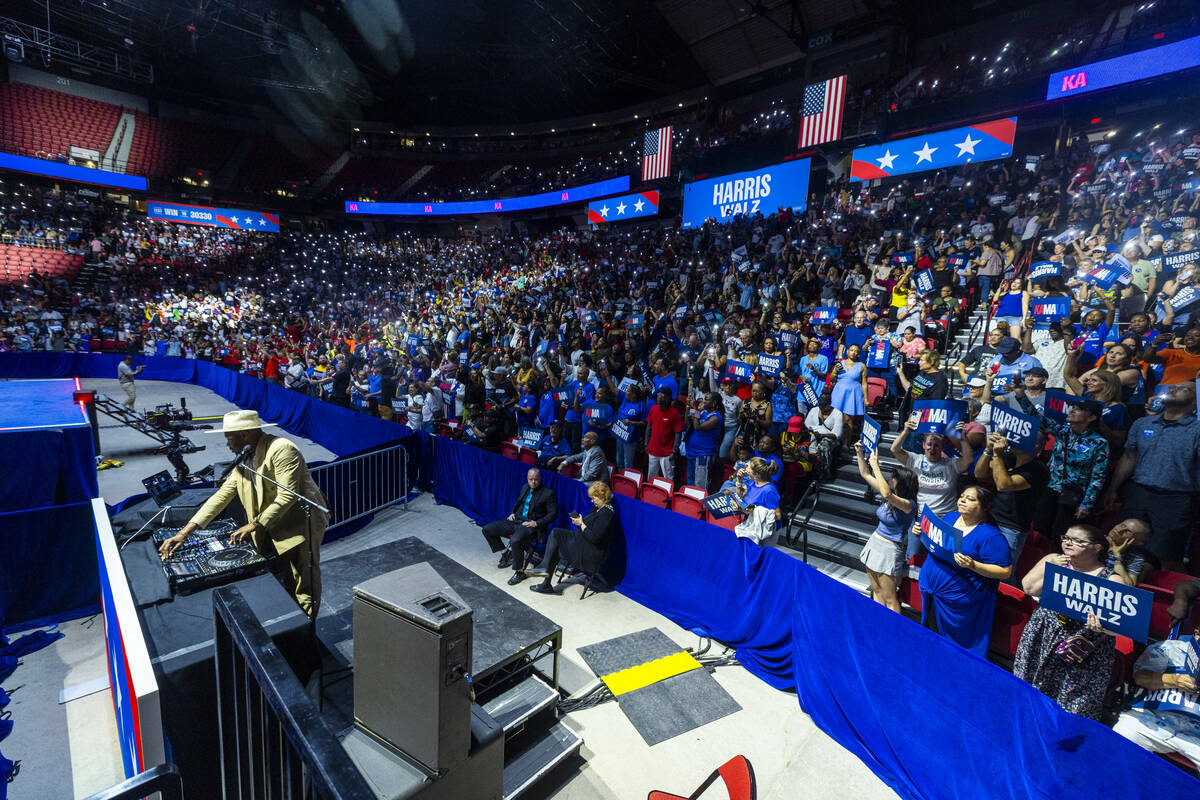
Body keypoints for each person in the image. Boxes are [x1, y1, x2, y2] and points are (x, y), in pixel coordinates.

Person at [158, 410, 328, 617]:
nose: (228, 444)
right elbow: (221, 497)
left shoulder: (282, 449)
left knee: (305, 578)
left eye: (229, 438)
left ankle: (308, 626)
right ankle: (294, 619)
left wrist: (255, 524)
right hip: (274, 524)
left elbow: (287, 496)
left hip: (302, 523)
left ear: (245, 434)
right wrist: (185, 532)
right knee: (286, 575)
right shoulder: (246, 456)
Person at [1013, 524, 1122, 720]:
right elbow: (1029, 588)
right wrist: (1051, 568)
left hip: (1084, 645)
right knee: (1029, 687)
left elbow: (1119, 627)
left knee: (1072, 703)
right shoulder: (1052, 559)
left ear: (1097, 548)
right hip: (1044, 633)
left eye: (1077, 541)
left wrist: (1103, 627)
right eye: (1066, 538)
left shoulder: (1111, 579)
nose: (1068, 543)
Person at [1103, 381, 1200, 567]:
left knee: (1166, 553)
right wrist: (1113, 489)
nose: (1174, 388)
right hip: (1139, 492)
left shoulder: (1196, 429)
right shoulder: (1143, 423)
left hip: (1177, 498)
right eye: (1173, 387)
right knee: (1125, 543)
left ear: (1196, 400)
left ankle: (1160, 592)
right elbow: (1129, 457)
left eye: (1184, 389)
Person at [917, 486, 1012, 657]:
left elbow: (1005, 571)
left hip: (959, 602)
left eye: (970, 499)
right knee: (932, 636)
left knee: (954, 649)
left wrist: (974, 565)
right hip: (934, 592)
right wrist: (922, 532)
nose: (962, 500)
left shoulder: (990, 536)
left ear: (985, 507)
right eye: (961, 496)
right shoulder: (950, 517)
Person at [1016, 390, 1109, 543]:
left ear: (1091, 417)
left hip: (1073, 494)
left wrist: (1087, 503)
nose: (1071, 410)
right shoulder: (1062, 431)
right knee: (1038, 526)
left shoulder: (1099, 443)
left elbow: (1098, 476)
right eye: (1072, 407)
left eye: (1078, 409)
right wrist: (1021, 396)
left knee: (1060, 533)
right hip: (1050, 488)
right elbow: (1036, 416)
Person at [1112, 621, 1200, 768]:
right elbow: (1139, 677)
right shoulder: (1171, 648)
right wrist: (1174, 679)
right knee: (1123, 734)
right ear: (1197, 634)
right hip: (1153, 721)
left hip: (1195, 736)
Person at [891, 417, 973, 561]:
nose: (932, 448)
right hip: (921, 520)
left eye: (936, 445)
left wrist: (963, 438)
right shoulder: (915, 460)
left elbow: (968, 460)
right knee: (913, 558)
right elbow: (894, 449)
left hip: (946, 522)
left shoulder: (951, 464)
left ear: (942, 449)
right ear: (923, 445)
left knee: (942, 560)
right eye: (929, 444)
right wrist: (906, 430)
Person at [854, 444, 918, 612]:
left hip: (889, 550)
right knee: (877, 591)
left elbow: (887, 495)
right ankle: (878, 624)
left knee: (890, 597)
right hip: (875, 543)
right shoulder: (889, 493)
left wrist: (876, 465)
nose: (889, 479)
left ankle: (893, 631)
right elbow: (865, 474)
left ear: (902, 483)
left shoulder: (908, 504)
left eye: (893, 478)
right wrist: (860, 455)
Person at [975, 430, 1049, 566]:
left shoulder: (1039, 470)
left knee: (1002, 570)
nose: (1013, 440)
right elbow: (979, 473)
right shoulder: (1008, 458)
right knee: (978, 561)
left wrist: (997, 455)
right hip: (989, 518)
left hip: (1011, 527)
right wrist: (988, 450)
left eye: (1021, 438)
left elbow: (1004, 485)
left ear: (1036, 445)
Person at [529, 481, 618, 595]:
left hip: (590, 553)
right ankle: (545, 574)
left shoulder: (607, 514)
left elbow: (594, 538)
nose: (592, 500)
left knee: (555, 547)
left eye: (594, 498)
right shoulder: (598, 508)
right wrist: (579, 521)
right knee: (556, 533)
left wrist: (581, 524)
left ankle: (545, 578)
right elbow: (586, 527)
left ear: (602, 497)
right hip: (582, 541)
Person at [483, 468, 559, 585]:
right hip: (516, 521)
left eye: (536, 480)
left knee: (515, 540)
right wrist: (513, 512)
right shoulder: (525, 487)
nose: (533, 482)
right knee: (487, 529)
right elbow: (520, 503)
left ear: (540, 479)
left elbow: (553, 514)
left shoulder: (548, 494)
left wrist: (537, 523)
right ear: (527, 479)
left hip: (530, 525)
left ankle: (520, 572)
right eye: (530, 479)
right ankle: (506, 553)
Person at [732, 457, 782, 546]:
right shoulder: (753, 483)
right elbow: (740, 495)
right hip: (752, 525)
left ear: (757, 474)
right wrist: (739, 480)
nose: (746, 467)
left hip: (766, 531)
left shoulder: (769, 491)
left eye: (749, 467)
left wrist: (754, 510)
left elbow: (777, 516)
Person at [830, 343, 868, 447]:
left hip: (853, 394)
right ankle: (835, 442)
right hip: (839, 393)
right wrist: (834, 371)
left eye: (856, 351)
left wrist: (866, 398)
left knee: (848, 420)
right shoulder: (840, 364)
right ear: (847, 351)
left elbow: (864, 383)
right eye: (851, 350)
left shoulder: (862, 366)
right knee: (837, 419)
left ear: (858, 354)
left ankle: (846, 444)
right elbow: (831, 380)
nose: (854, 352)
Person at [685, 392, 722, 491]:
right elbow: (688, 422)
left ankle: (700, 505)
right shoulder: (703, 412)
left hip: (703, 453)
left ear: (713, 403)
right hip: (692, 451)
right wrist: (688, 406)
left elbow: (698, 427)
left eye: (707, 399)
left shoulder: (716, 417)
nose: (704, 401)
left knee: (700, 485)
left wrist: (695, 408)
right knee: (690, 481)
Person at [646, 388, 684, 482]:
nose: (659, 399)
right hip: (653, 450)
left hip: (667, 452)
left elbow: (678, 433)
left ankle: (668, 496)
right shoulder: (653, 409)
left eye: (662, 397)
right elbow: (649, 427)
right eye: (658, 396)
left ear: (668, 398)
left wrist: (674, 451)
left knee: (668, 478)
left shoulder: (674, 413)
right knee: (651, 477)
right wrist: (646, 444)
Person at [804, 392, 843, 481]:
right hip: (814, 435)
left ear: (829, 404)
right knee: (810, 440)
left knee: (824, 443)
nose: (821, 408)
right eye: (820, 405)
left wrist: (822, 435)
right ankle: (811, 468)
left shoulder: (837, 413)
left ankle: (824, 470)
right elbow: (807, 425)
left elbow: (837, 434)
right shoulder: (814, 410)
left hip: (830, 439)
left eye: (824, 405)